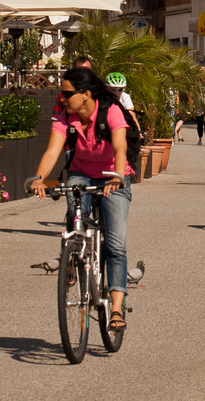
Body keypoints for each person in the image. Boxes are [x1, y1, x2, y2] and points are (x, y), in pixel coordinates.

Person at [28, 66, 134, 330]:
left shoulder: (111, 111)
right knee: (74, 220)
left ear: (85, 94)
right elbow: (52, 151)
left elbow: (120, 146)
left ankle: (117, 309)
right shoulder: (67, 117)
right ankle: (74, 255)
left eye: (66, 93)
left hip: (113, 174)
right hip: (81, 173)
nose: (62, 98)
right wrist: (39, 177)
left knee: (115, 244)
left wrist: (117, 176)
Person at [105, 72, 143, 143]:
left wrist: (139, 132)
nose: (116, 93)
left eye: (120, 90)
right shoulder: (102, 98)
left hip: (120, 126)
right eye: (113, 89)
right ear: (107, 89)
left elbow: (132, 117)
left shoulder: (125, 97)